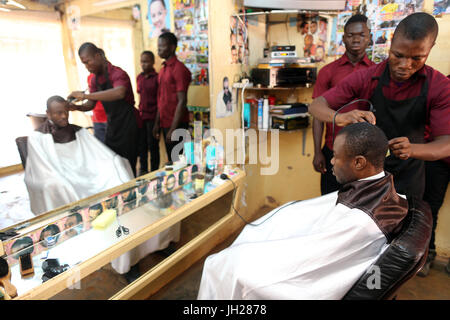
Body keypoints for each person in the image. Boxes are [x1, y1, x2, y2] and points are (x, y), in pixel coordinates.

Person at [198, 123, 408, 300]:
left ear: (359, 162)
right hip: (312, 238)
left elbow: (306, 263)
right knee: (253, 234)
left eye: (336, 156)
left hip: (306, 274)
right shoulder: (381, 188)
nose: (332, 161)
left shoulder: (361, 221)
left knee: (220, 266)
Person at [309, 12, 450, 200]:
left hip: (409, 177)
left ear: (430, 49)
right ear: (391, 43)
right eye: (397, 55)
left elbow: (446, 143)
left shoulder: (438, 86)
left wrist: (412, 149)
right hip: (368, 177)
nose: (405, 65)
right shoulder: (368, 77)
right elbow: (316, 106)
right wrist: (341, 117)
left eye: (417, 58)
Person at [24, 95, 134, 215]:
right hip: (57, 173)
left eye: (66, 112)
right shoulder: (38, 137)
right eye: (58, 113)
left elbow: (98, 153)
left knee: (116, 163)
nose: (64, 116)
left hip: (85, 170)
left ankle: (123, 205)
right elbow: (41, 167)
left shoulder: (79, 131)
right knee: (58, 184)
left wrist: (113, 160)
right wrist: (60, 176)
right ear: (48, 114)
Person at [312, 14, 374, 196]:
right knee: (331, 203)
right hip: (333, 150)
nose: (356, 39)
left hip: (364, 152)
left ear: (369, 37)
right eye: (350, 35)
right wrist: (317, 152)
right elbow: (317, 114)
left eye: (361, 35)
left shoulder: (375, 72)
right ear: (343, 38)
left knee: (361, 206)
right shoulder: (328, 72)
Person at [68, 42, 139, 177]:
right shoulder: (94, 80)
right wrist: (76, 107)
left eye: (88, 62)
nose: (87, 67)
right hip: (112, 125)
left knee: (128, 167)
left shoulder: (118, 73)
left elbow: (119, 93)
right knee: (114, 164)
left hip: (128, 125)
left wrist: (83, 95)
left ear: (98, 55)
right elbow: (91, 104)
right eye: (84, 64)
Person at [153, 32, 192, 163]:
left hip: (177, 124)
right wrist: (157, 123)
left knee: (179, 162)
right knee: (171, 160)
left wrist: (173, 129)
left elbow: (182, 101)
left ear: (172, 47)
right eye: (158, 46)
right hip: (165, 122)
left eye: (162, 46)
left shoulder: (179, 69)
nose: (159, 50)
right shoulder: (163, 69)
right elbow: (161, 99)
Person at [137, 50, 160, 174]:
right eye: (142, 61)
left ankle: (154, 172)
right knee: (142, 146)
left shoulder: (157, 78)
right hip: (142, 117)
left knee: (153, 146)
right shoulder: (139, 77)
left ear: (152, 62)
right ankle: (143, 170)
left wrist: (157, 122)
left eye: (146, 61)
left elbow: (160, 100)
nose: (143, 64)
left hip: (153, 117)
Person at [88, 48, 108, 143]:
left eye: (88, 61)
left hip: (109, 118)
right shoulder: (90, 78)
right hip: (97, 118)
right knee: (102, 148)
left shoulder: (112, 75)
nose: (87, 66)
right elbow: (92, 97)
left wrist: (85, 96)